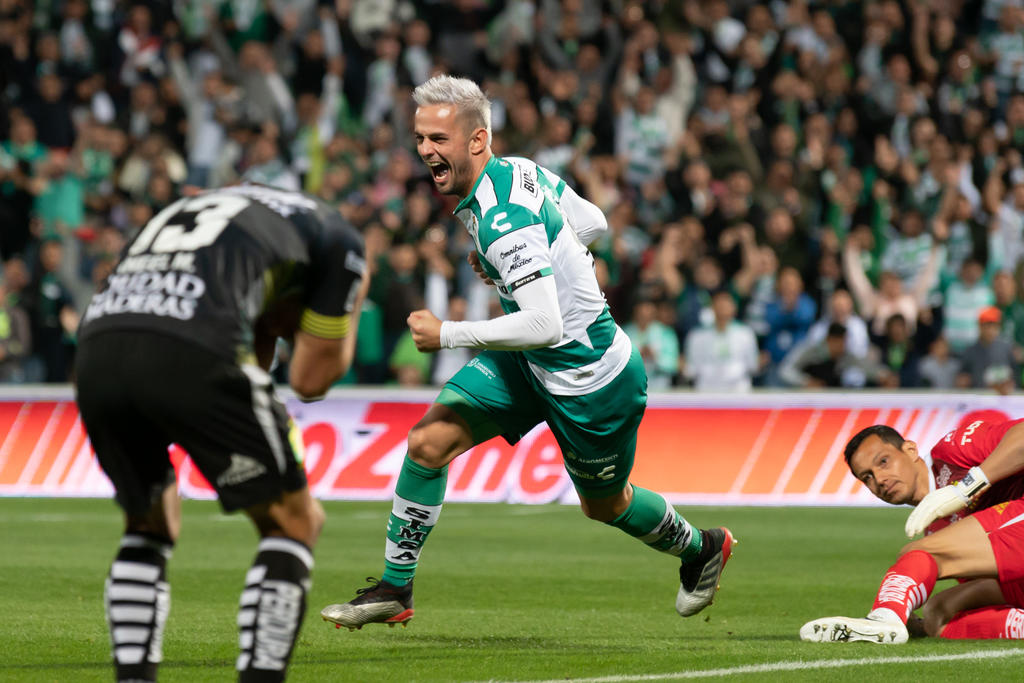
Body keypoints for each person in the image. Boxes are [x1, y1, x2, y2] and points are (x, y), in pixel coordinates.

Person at [321, 75, 734, 631]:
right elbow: (594, 223)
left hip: (590, 378)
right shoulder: (519, 170)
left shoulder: (502, 221)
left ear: (477, 140)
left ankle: (701, 548)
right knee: (428, 442)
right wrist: (542, 260)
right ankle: (396, 589)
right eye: (420, 138)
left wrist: (448, 332)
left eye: (438, 139)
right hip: (531, 362)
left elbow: (544, 322)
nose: (425, 151)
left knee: (606, 505)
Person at [75, 183, 368, 682]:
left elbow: (256, 335)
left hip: (97, 349)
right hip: (195, 344)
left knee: (150, 522)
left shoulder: (201, 210)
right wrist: (352, 302)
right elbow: (309, 379)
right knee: (295, 521)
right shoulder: (338, 238)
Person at [800, 416, 1024, 643]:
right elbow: (1001, 580)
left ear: (910, 450)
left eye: (883, 462)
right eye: (867, 477)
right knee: (937, 613)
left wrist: (964, 489)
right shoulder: (935, 529)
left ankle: (886, 617)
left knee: (921, 552)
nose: (880, 479)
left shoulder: (954, 449)